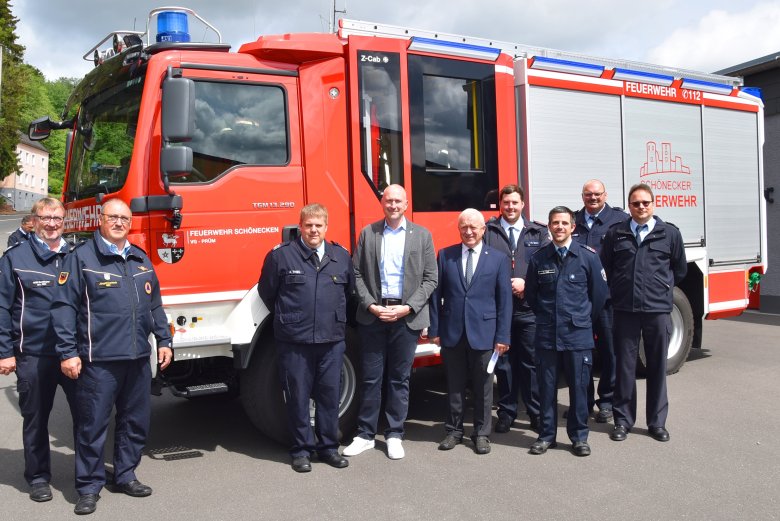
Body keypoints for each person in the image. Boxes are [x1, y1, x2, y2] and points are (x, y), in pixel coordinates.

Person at [53, 199, 173, 515]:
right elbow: (64, 307)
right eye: (113, 217)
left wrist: (164, 339)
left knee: (135, 422)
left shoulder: (140, 258)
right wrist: (68, 352)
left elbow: (155, 305)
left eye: (124, 218)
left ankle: (124, 475)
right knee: (92, 426)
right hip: (98, 361)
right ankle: (89, 488)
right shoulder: (82, 258)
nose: (119, 222)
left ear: (130, 222)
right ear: (101, 220)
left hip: (136, 358)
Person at [258, 203, 354, 473]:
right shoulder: (281, 256)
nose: (314, 230)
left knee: (329, 396)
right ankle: (301, 450)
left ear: (326, 227)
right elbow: (268, 294)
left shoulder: (341, 256)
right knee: (298, 397)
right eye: (308, 225)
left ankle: (328, 448)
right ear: (300, 226)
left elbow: (349, 293)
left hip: (331, 341)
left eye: (318, 225)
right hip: (294, 341)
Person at [344, 184, 437, 460]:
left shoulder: (422, 236)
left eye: (398, 201)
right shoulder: (368, 233)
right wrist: (371, 305)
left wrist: (407, 308)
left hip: (405, 318)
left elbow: (431, 279)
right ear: (382, 203)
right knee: (371, 379)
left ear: (406, 204)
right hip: (374, 316)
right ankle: (365, 435)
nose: (393, 205)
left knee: (400, 379)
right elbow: (356, 273)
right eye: (388, 200)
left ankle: (395, 434)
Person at [0, 198, 76, 503]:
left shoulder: (75, 255)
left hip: (72, 354)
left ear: (64, 221)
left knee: (86, 417)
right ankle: (38, 477)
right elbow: (2, 306)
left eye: (57, 218)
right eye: (46, 218)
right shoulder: (15, 258)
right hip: (32, 354)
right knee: (36, 419)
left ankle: (88, 473)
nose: (52, 223)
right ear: (33, 220)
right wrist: (5, 351)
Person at [601, 183, 687, 443]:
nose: (641, 207)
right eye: (636, 203)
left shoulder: (669, 234)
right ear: (629, 206)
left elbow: (679, 269)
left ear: (653, 204)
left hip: (657, 310)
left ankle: (657, 423)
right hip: (625, 309)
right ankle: (623, 421)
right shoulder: (616, 233)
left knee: (657, 367)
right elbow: (607, 267)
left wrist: (661, 289)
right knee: (625, 368)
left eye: (645, 203)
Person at [525, 206, 608, 457]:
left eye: (564, 223)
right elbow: (531, 296)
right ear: (549, 227)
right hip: (547, 335)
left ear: (573, 227)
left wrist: (580, 320)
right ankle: (546, 435)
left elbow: (598, 296)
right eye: (554, 223)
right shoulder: (539, 258)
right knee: (547, 389)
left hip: (577, 335)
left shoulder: (588, 256)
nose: (559, 227)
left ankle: (579, 437)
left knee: (579, 389)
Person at [429, 209, 512, 455]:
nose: (469, 231)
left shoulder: (497, 259)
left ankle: (481, 433)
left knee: (483, 387)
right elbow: (436, 296)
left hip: (485, 334)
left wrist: (503, 336)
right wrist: (435, 329)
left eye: (474, 227)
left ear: (483, 229)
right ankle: (453, 431)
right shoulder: (445, 255)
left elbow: (504, 300)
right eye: (464, 227)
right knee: (454, 386)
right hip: (453, 332)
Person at [483, 184, 548, 433]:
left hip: (529, 309)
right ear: (501, 205)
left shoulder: (538, 232)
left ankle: (536, 412)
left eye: (514, 202)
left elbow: (546, 268)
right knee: (504, 364)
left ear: (523, 204)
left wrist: (527, 283)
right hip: (500, 311)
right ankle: (507, 412)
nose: (510, 207)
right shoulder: (489, 231)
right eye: (506, 203)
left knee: (531, 363)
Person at [572, 179, 627, 423]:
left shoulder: (619, 220)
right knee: (581, 352)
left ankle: (606, 400)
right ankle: (583, 403)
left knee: (609, 352)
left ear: (605, 195)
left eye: (597, 194)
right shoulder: (573, 220)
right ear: (582, 196)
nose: (592, 198)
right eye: (588, 194)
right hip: (578, 301)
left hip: (606, 300)